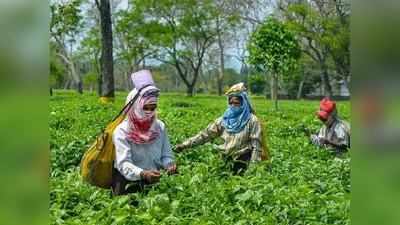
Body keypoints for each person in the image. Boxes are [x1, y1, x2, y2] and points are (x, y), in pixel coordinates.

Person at [175, 82, 268, 174]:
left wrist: (252, 170)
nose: (233, 106)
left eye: (236, 103)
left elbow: (256, 147)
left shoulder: (252, 120)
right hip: (225, 161)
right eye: (231, 103)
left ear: (243, 103)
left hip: (243, 161)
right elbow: (205, 135)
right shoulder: (223, 120)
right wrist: (185, 145)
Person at [112, 70, 176, 196]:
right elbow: (124, 163)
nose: (149, 112)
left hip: (153, 181)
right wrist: (142, 173)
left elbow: (166, 155)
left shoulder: (159, 127)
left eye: (153, 108)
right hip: (127, 183)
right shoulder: (122, 131)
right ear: (135, 106)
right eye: (145, 108)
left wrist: (169, 165)